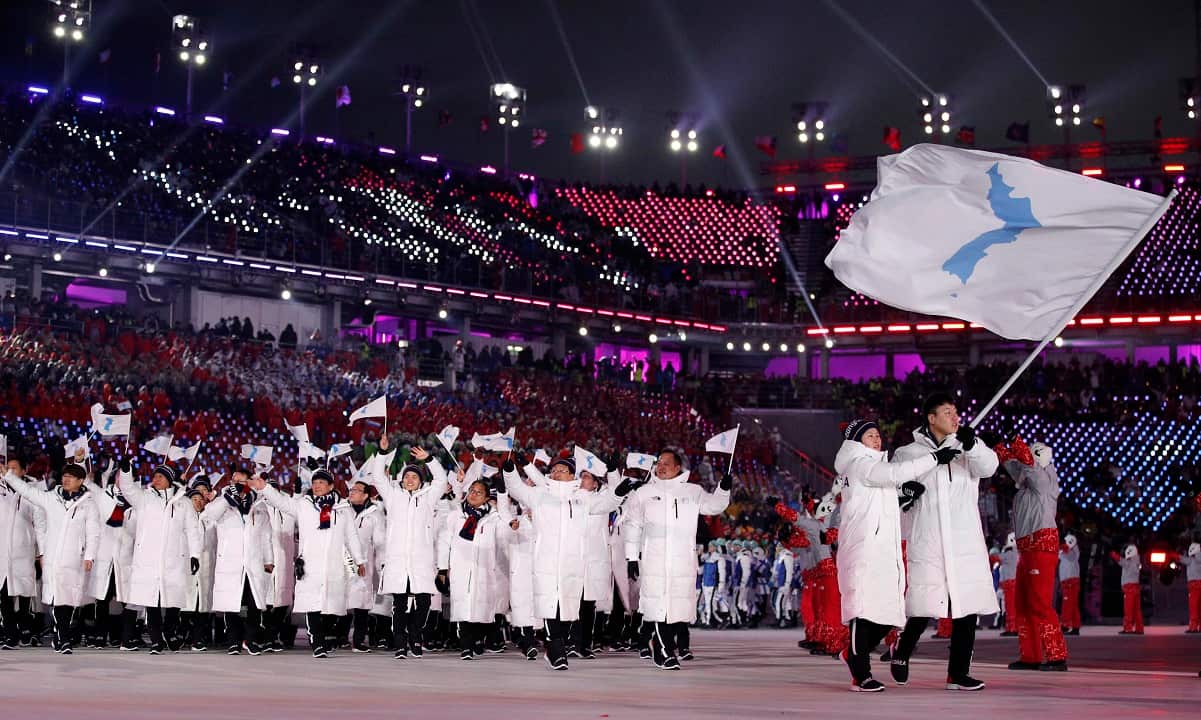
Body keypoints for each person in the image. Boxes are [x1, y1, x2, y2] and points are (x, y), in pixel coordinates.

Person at [890, 392, 999, 692]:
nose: (955, 417)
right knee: (925, 601)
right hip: (929, 536)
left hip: (963, 538)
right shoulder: (907, 453)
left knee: (965, 606)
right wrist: (907, 495)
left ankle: (958, 674)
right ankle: (902, 650)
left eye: (956, 412)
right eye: (948, 412)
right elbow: (895, 492)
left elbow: (989, 467)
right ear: (931, 418)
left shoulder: (966, 448)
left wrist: (973, 444)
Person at [833, 419, 949, 692]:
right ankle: (861, 675)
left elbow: (880, 499)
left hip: (882, 551)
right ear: (856, 441)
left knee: (886, 614)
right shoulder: (860, 464)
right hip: (864, 550)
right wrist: (933, 459)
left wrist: (902, 496)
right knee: (863, 612)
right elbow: (895, 473)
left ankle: (854, 654)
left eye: (877, 434)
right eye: (870, 435)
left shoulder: (870, 468)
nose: (877, 439)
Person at [498, 454, 626, 671]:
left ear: (571, 476)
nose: (556, 472)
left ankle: (559, 642)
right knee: (550, 606)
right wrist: (510, 471)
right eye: (554, 469)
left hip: (572, 562)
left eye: (562, 470)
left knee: (566, 609)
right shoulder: (540, 494)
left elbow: (606, 503)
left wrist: (617, 487)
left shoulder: (582, 498)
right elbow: (518, 490)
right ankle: (554, 649)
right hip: (546, 561)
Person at [623, 448, 730, 670]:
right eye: (658, 463)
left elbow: (713, 506)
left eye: (666, 463)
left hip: (682, 559)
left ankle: (662, 648)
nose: (660, 467)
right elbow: (632, 525)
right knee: (658, 605)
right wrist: (632, 557)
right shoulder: (643, 493)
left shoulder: (693, 491)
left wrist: (723, 489)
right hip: (654, 559)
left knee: (677, 608)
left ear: (677, 467)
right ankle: (665, 651)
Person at [248, 466, 366, 658]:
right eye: (314, 482)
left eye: (321, 482)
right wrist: (264, 489)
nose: (317, 486)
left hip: (333, 566)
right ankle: (317, 642)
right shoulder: (304, 505)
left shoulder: (342, 509)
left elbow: (351, 536)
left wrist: (359, 560)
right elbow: (282, 502)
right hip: (310, 565)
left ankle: (325, 637)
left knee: (331, 607)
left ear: (330, 486)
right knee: (312, 605)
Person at [4, 463, 100, 654]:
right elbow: (27, 491)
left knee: (70, 600)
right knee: (57, 599)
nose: (66, 479)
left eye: (71, 477)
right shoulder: (51, 499)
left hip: (74, 560)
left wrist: (90, 555)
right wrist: (8, 475)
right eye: (64, 475)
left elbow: (94, 533)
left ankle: (60, 635)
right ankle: (62, 639)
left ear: (80, 481)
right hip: (53, 559)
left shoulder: (88, 505)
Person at [370, 437, 451, 659]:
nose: (409, 479)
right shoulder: (393, 496)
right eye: (407, 476)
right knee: (399, 604)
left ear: (421, 481)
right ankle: (400, 643)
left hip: (421, 559)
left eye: (414, 477)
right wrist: (382, 453)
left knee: (424, 602)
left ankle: (415, 635)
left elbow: (441, 480)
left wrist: (431, 460)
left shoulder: (429, 497)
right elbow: (378, 477)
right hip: (398, 560)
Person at [996, 437, 1068, 671]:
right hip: (1027, 548)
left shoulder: (1044, 479)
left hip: (1040, 546)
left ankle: (1057, 656)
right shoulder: (1030, 480)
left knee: (1040, 603)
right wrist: (999, 447)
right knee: (1023, 604)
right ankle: (1031, 656)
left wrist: (1016, 442)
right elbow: (1017, 466)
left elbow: (1027, 464)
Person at [117, 460, 202, 654]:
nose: (155, 479)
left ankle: (169, 631)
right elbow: (128, 488)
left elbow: (192, 530)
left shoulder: (183, 502)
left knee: (173, 600)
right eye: (154, 476)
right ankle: (156, 640)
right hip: (148, 558)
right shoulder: (144, 498)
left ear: (169, 480)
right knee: (151, 600)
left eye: (160, 476)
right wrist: (126, 471)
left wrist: (194, 555)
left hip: (173, 559)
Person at [201, 470, 275, 656]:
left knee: (254, 603)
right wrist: (227, 498)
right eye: (236, 481)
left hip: (253, 561)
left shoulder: (258, 505)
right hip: (230, 561)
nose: (239, 484)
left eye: (243, 481)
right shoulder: (223, 503)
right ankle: (233, 641)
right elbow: (208, 515)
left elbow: (266, 536)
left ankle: (250, 640)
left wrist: (269, 560)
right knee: (231, 604)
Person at [437, 478, 504, 661]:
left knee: (481, 612)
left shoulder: (494, 519)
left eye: (478, 492)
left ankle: (476, 640)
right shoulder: (456, 515)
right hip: (461, 570)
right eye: (471, 491)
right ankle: (466, 647)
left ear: (486, 498)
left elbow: (504, 538)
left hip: (484, 571)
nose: (473, 494)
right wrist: (442, 569)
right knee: (463, 610)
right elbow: (444, 542)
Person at [83, 458, 138, 649]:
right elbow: (86, 482)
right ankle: (99, 636)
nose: (120, 479)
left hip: (125, 557)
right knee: (102, 599)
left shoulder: (137, 501)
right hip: (105, 557)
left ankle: (127, 637)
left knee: (127, 600)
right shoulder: (103, 495)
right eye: (118, 475)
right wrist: (82, 461)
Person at [0, 456, 42, 650]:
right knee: (5, 595)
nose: (9, 471)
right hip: (3, 553)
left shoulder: (32, 494)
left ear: (24, 471)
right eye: (7, 468)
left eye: (14, 468)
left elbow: (41, 525)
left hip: (24, 552)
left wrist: (41, 552)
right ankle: (10, 634)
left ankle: (25, 629)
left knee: (24, 593)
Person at [344, 476, 385, 653]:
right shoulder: (342, 511)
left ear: (366, 495)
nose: (352, 493)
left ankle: (358, 640)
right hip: (340, 560)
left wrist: (382, 563)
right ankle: (335, 638)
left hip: (363, 563)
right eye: (351, 490)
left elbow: (380, 541)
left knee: (361, 603)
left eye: (356, 491)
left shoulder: (375, 515)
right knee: (338, 599)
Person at [1116, 544, 1143, 634]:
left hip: (1129, 588)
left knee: (1128, 609)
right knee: (1136, 610)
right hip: (1135, 587)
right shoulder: (1136, 561)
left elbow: (1121, 561)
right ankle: (1139, 629)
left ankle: (1128, 628)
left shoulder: (1130, 562)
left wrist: (1114, 555)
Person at [1058, 534, 1081, 635]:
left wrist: (1063, 546)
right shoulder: (1065, 551)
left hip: (1070, 582)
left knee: (1067, 604)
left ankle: (1065, 625)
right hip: (1068, 581)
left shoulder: (1073, 551)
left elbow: (1070, 557)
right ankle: (1075, 626)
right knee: (1072, 605)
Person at [998, 532, 1019, 637]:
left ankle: (1011, 628)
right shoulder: (1017, 552)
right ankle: (1013, 627)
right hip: (1013, 581)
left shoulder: (1010, 552)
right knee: (1012, 606)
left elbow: (998, 558)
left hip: (1010, 583)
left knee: (1010, 606)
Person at [1185, 542, 1200, 633]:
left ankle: (1193, 627)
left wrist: (1175, 555)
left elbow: (1183, 560)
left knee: (1193, 606)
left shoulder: (1192, 559)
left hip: (1194, 584)